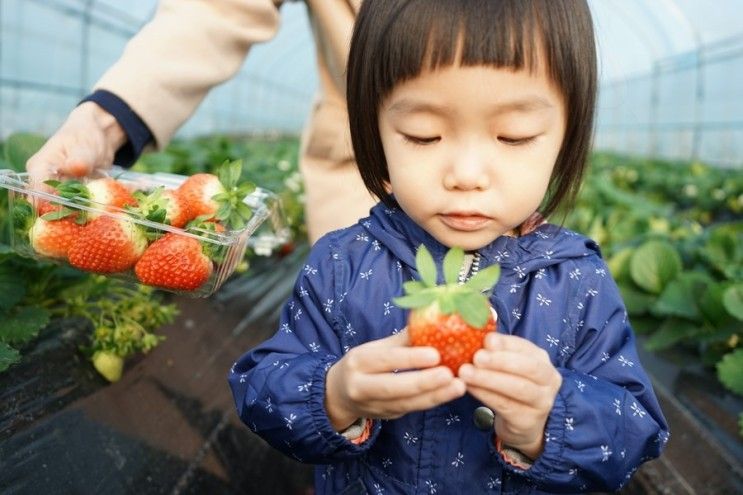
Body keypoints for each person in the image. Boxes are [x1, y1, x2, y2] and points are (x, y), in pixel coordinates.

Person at [228, 0, 669, 493]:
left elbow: (636, 431)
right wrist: (335, 395)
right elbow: (260, 385)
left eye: (514, 136)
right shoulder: (341, 263)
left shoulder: (576, 279)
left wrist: (551, 417)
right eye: (423, 134)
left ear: (566, 137)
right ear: (374, 131)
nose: (465, 176)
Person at [25, 0, 374, 243]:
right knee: (362, 329)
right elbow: (214, 10)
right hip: (363, 183)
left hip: (360, 168)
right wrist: (103, 121)